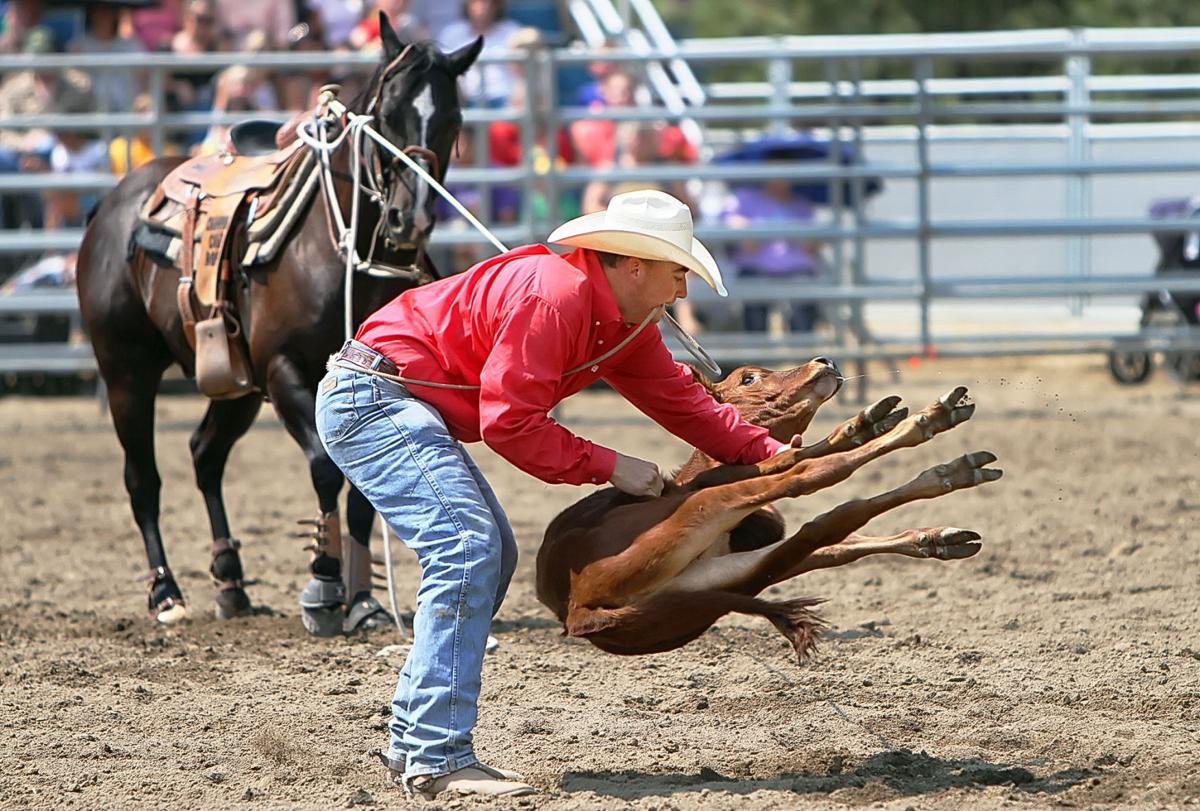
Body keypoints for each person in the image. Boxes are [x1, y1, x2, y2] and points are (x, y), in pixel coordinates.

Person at [314, 189, 803, 799]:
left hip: (399, 400)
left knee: (486, 556)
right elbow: (508, 423)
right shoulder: (556, 295)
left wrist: (781, 458)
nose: (681, 292)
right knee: (468, 550)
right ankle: (436, 756)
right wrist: (608, 465)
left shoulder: (621, 323)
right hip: (377, 398)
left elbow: (688, 407)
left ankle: (417, 740)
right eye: (677, 273)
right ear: (634, 265)